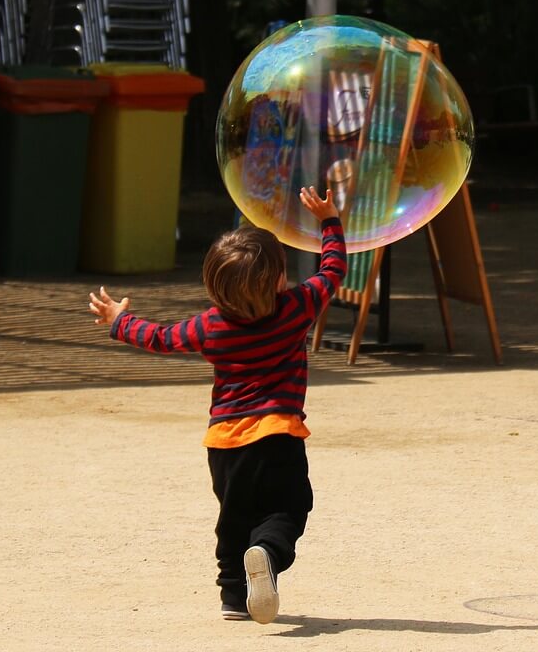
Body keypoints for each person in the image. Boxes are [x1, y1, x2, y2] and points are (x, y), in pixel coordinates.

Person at [87, 187, 347, 624]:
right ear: (279, 279)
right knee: (287, 508)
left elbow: (160, 338)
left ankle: (233, 597)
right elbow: (333, 269)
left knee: (234, 517)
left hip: (223, 444)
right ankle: (266, 553)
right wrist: (329, 221)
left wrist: (119, 320)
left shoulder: (210, 326)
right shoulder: (296, 308)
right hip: (277, 436)